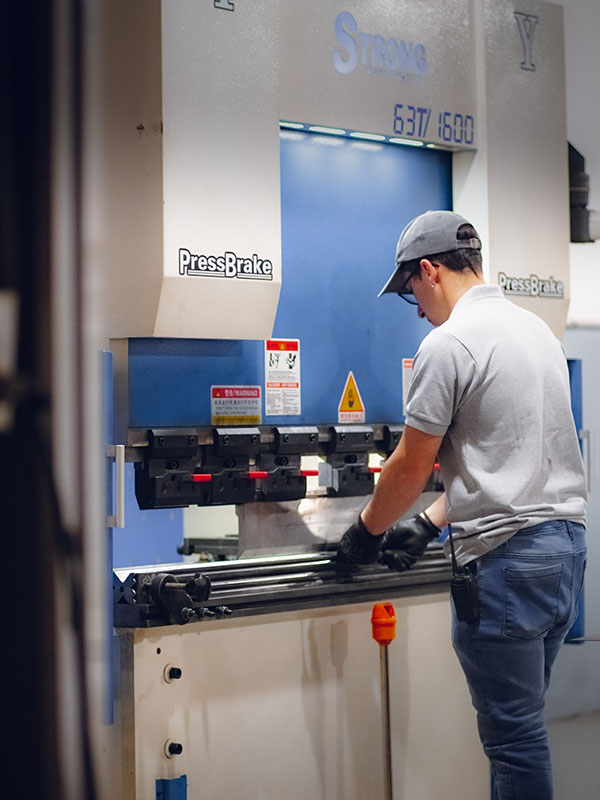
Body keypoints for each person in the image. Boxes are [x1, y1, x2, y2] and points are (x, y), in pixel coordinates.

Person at [338, 210, 587, 800]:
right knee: (522, 728)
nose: (417, 309)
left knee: (515, 741)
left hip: (506, 566)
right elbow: (508, 456)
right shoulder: (538, 334)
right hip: (565, 554)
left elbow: (411, 464)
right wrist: (430, 523)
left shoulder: (448, 344)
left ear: (429, 270)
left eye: (411, 292)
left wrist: (366, 532)